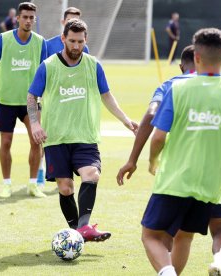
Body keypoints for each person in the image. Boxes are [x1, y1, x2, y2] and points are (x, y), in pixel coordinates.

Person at [116, 44, 221, 275]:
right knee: (211, 231)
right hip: (214, 177)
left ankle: (168, 271)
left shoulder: (172, 85)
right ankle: (220, 261)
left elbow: (152, 117)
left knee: (154, 235)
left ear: (183, 66)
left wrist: (138, 159)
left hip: (177, 174)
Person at [27, 19, 138, 242]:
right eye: (72, 41)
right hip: (56, 138)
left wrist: (125, 120)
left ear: (85, 40)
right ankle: (78, 232)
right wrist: (35, 123)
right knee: (66, 188)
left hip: (85, 136)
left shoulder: (93, 65)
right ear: (63, 40)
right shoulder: (48, 66)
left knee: (91, 175)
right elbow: (32, 96)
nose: (76, 46)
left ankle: (83, 228)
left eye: (80, 41)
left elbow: (106, 95)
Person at [0, 2, 47, 198]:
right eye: (25, 17)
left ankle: (32, 184)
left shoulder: (40, 42)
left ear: (34, 20)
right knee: (6, 142)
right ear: (17, 19)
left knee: (36, 141)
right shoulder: (3, 39)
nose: (28, 21)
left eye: (31, 18)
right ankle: (7, 184)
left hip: (30, 102)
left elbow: (46, 73)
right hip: (6, 101)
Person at [36, 7, 91, 186]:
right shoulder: (48, 44)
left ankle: (65, 174)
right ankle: (40, 172)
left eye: (76, 19)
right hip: (52, 102)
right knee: (46, 137)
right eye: (69, 20)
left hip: (73, 102)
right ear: (63, 22)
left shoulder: (85, 49)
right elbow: (41, 72)